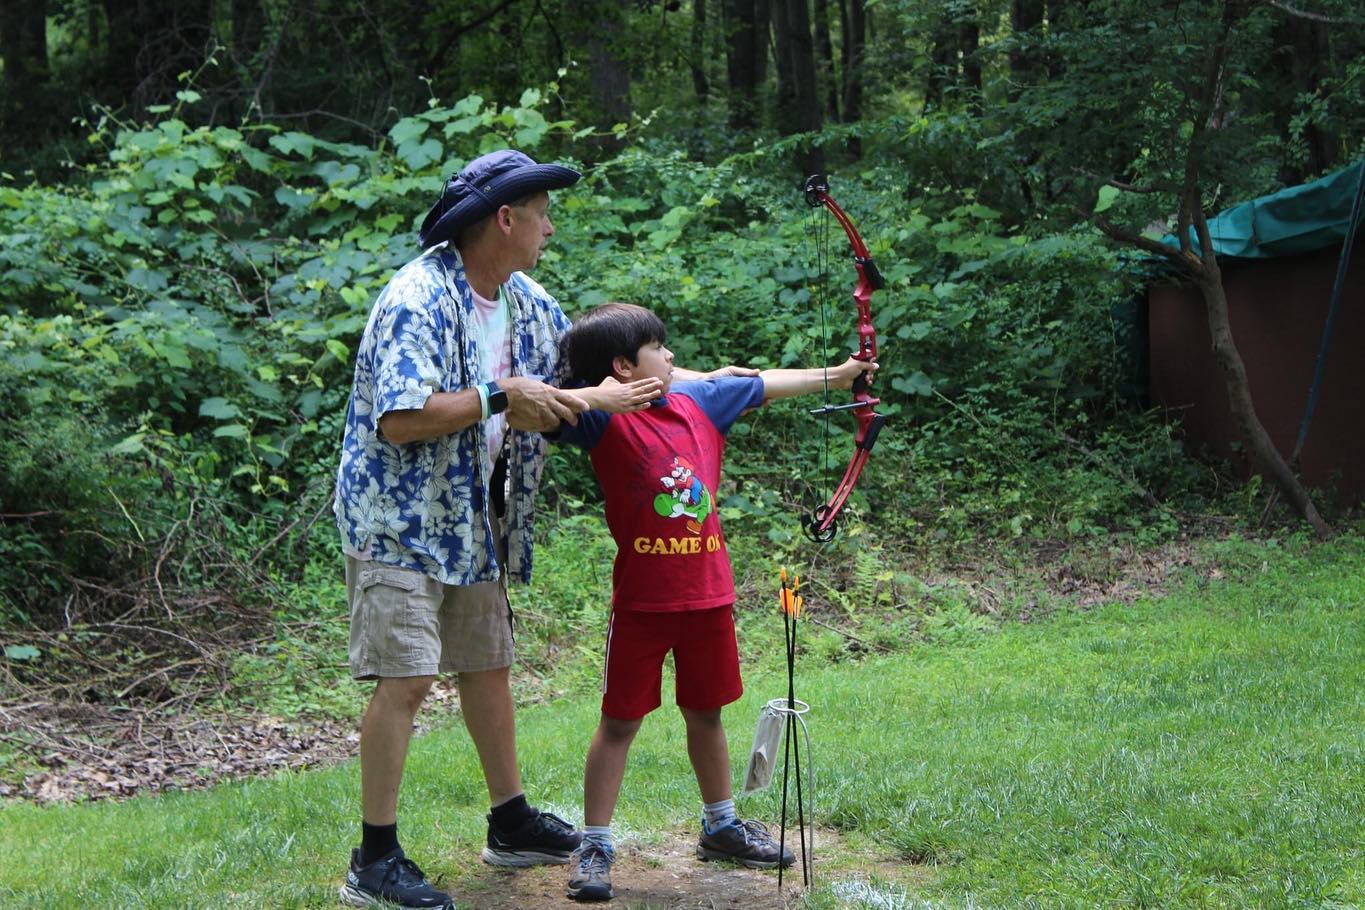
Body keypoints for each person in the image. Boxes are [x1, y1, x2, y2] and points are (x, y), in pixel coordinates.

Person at [333, 150, 666, 909]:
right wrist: (498, 395)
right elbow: (399, 417)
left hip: (474, 516)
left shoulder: (527, 300)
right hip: (396, 520)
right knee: (408, 676)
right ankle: (373, 860)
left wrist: (649, 395)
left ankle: (510, 822)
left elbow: (565, 390)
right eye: (543, 213)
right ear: (506, 219)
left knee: (485, 664)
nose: (551, 227)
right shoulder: (418, 296)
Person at [547, 302, 877, 902]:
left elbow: (759, 384)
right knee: (619, 722)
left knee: (707, 713)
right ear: (623, 366)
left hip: (707, 597)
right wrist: (604, 396)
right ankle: (595, 843)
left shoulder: (699, 402)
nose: (672, 357)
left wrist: (840, 374)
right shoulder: (600, 420)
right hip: (643, 605)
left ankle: (721, 826)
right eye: (659, 349)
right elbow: (542, 407)